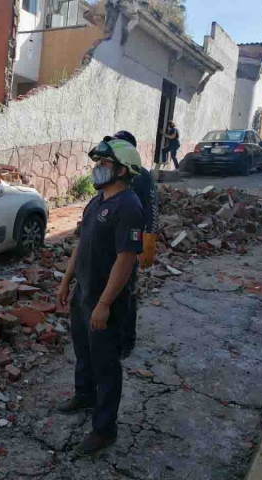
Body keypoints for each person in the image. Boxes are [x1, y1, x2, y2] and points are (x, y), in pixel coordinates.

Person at [56, 139, 144, 456]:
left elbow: (126, 259)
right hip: (84, 293)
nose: (98, 169)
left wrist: (104, 304)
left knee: (106, 366)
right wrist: (66, 281)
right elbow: (81, 244)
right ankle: (84, 396)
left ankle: (104, 430)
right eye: (99, 163)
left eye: (105, 164)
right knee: (83, 351)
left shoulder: (130, 206)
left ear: (122, 170)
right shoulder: (97, 201)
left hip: (107, 301)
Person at [113, 130, 160, 358]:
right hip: (109, 240)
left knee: (126, 291)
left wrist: (149, 237)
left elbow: (151, 207)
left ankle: (127, 340)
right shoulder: (113, 173)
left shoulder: (141, 176)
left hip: (129, 242)